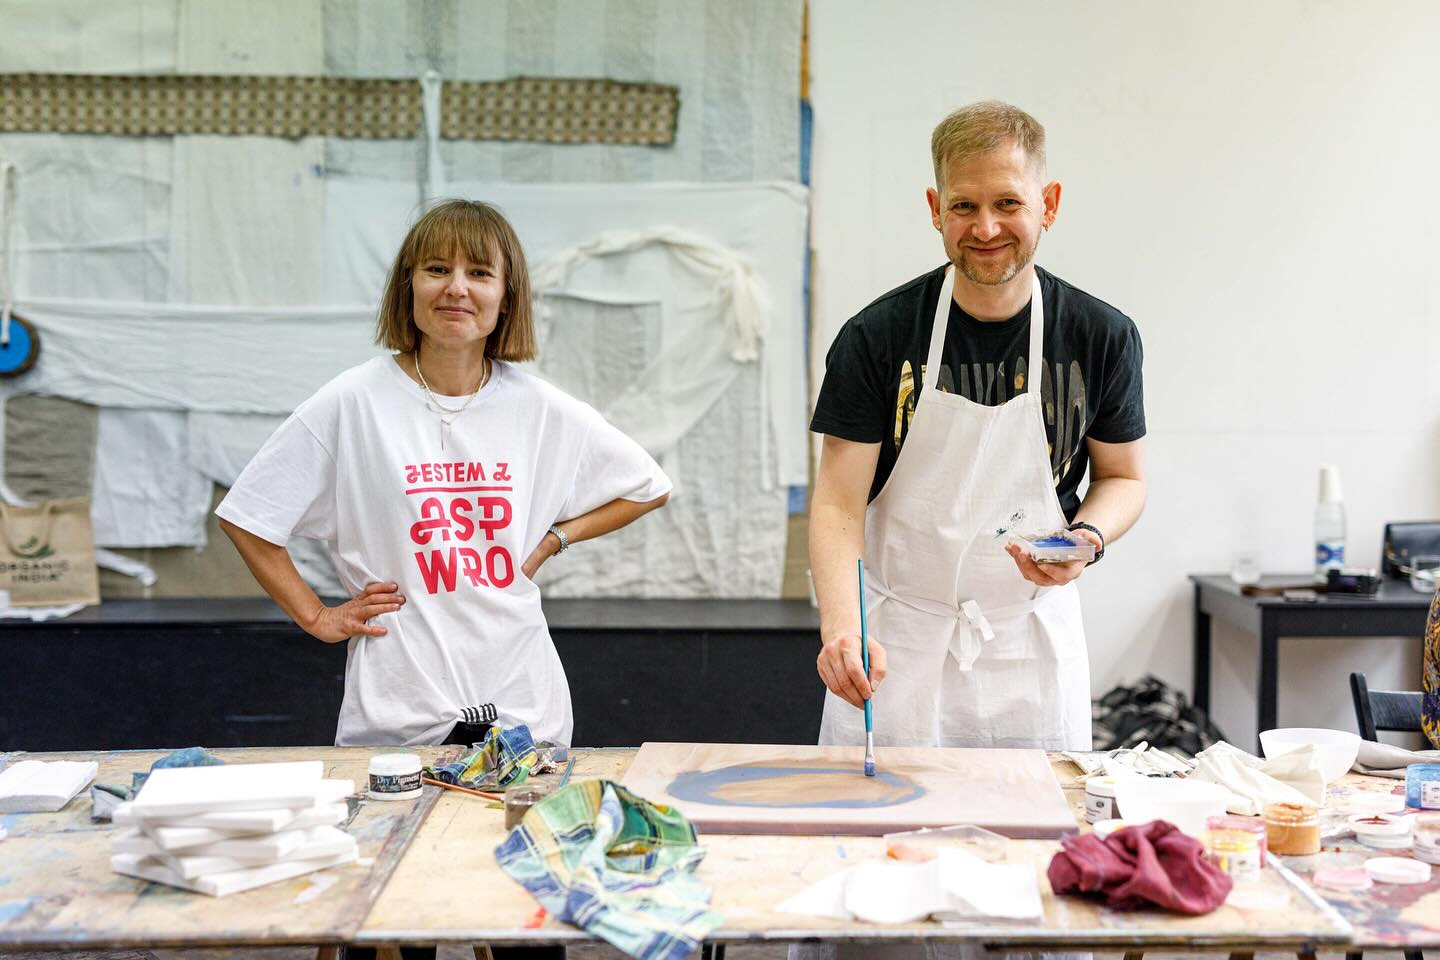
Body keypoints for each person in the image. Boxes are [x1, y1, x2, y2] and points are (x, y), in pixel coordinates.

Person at [217, 198, 671, 752]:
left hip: (525, 704)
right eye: (437, 269)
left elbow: (647, 488)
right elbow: (248, 517)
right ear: (408, 286)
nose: (457, 288)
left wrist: (554, 539)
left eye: (479, 273)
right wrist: (316, 616)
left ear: (506, 297)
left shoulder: (540, 408)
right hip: (398, 705)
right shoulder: (353, 401)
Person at [808, 101, 1147, 752]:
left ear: (1048, 204)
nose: (986, 227)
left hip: (1031, 642)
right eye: (964, 206)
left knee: (1039, 814)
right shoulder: (877, 337)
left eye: (1008, 203)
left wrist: (1086, 539)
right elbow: (837, 502)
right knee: (879, 815)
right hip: (897, 645)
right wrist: (842, 629)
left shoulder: (1100, 336)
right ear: (935, 209)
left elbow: (1124, 478)